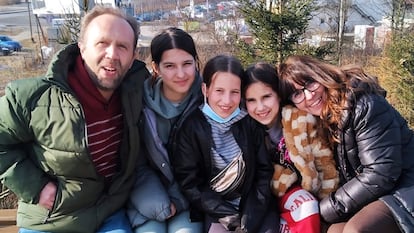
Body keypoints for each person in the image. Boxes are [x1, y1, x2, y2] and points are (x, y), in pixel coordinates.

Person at [0, 5, 150, 233]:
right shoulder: (31, 98)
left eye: (122, 46)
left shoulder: (138, 90)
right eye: (102, 43)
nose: (112, 54)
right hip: (52, 218)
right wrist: (36, 187)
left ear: (133, 57)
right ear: (81, 47)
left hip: (109, 212)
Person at [278, 55, 414, 233]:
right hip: (380, 189)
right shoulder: (318, 120)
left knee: (356, 230)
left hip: (404, 184)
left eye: (310, 83)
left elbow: (382, 171)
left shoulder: (363, 105)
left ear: (321, 75)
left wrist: (327, 208)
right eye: (297, 93)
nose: (309, 95)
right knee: (332, 230)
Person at [171, 55, 279, 233]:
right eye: (219, 91)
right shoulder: (192, 127)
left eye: (234, 92)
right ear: (205, 90)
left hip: (255, 206)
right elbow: (190, 183)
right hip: (216, 210)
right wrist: (228, 216)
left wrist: (249, 217)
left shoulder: (248, 122)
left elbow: (263, 171)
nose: (227, 101)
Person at [126, 27, 203, 233]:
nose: (180, 74)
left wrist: (179, 199)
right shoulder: (139, 102)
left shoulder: (209, 99)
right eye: (170, 65)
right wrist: (156, 203)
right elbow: (136, 162)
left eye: (187, 64)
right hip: (148, 196)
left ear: (196, 62)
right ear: (156, 68)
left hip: (194, 198)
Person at [243, 62, 327, 233]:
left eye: (266, 97)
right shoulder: (245, 130)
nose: (260, 107)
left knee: (306, 206)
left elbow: (323, 160)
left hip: (300, 188)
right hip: (264, 195)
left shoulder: (299, 121)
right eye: (251, 100)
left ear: (278, 95)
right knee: (304, 206)